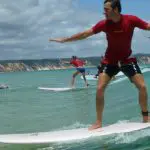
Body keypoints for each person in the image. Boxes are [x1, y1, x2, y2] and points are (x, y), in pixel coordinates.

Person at [49, 0, 150, 130]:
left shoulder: (131, 20)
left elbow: (147, 26)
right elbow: (85, 34)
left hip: (127, 60)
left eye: (106, 9)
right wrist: (65, 40)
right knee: (100, 88)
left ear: (116, 10)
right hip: (109, 61)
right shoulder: (104, 24)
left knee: (142, 86)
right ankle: (98, 122)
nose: (104, 12)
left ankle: (146, 117)